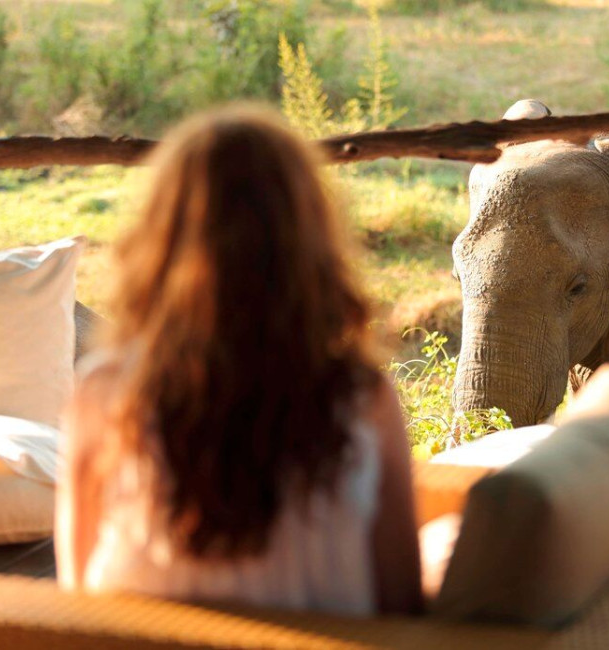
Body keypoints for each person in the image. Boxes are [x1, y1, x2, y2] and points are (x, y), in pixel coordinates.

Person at [56, 105, 423, 616]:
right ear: (310, 238)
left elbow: (75, 597)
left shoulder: (106, 391)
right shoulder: (362, 395)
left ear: (163, 237)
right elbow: (401, 600)